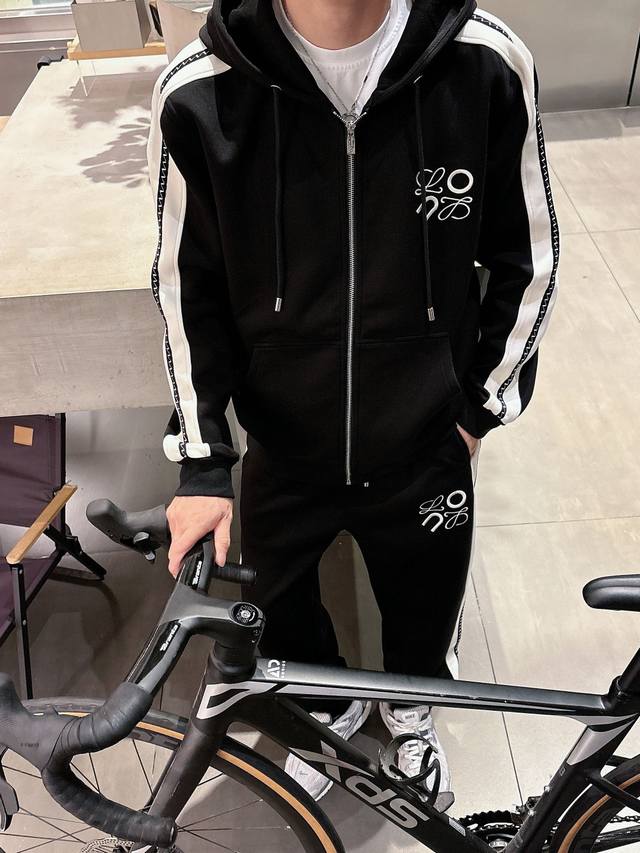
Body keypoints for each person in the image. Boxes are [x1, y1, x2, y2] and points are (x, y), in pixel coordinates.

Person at [147, 0, 559, 808]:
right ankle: (328, 710)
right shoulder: (199, 89)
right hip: (282, 441)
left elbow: (531, 257)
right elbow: (185, 287)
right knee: (279, 608)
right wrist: (204, 459)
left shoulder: (485, 61)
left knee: (425, 605)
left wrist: (477, 410)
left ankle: (411, 713)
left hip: (428, 442)